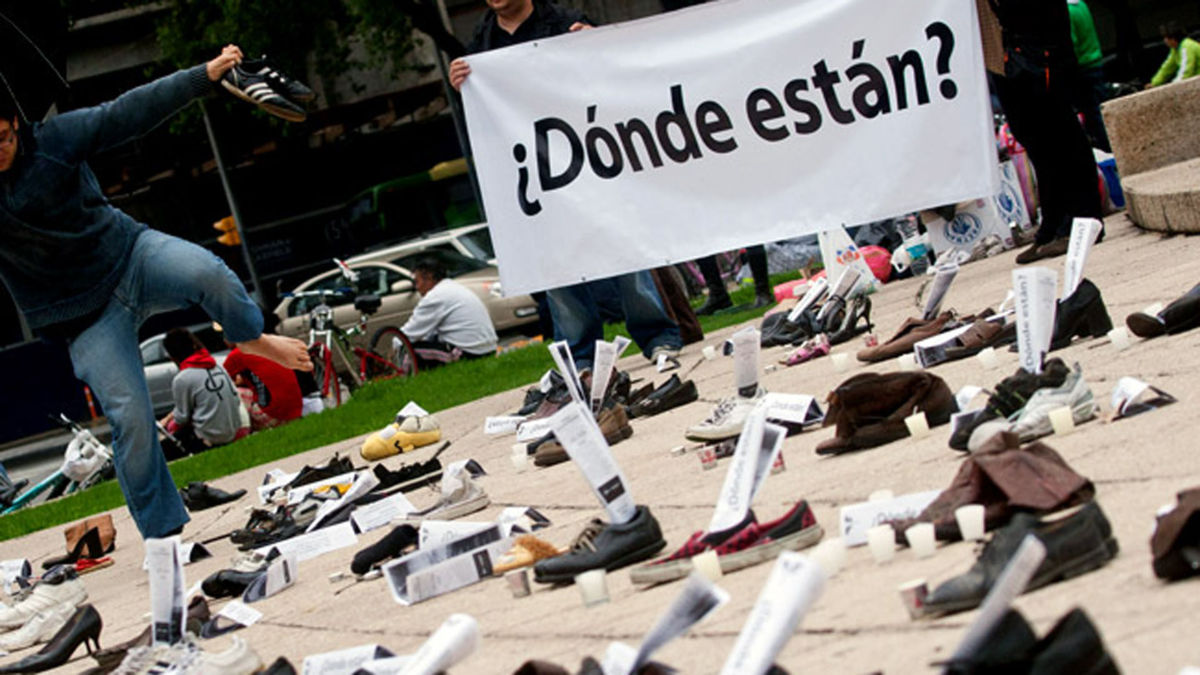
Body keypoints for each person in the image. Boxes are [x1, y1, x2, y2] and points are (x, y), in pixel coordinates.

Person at [0, 45, 312, 539]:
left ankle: (250, 337)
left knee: (207, 272)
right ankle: (164, 537)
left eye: (0, 139)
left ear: (16, 124)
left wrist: (203, 76)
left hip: (132, 257)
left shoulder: (56, 140)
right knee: (131, 419)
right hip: (86, 318)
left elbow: (127, 112)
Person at [449, 0, 684, 370]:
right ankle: (580, 353)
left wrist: (595, 45)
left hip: (589, 157)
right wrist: (463, 88)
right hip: (535, 171)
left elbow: (608, 77)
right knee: (556, 264)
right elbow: (484, 118)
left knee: (624, 250)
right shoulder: (480, 47)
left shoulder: (566, 24)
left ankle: (657, 336)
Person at [976, 0, 1103, 265]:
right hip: (1004, 58)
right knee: (1036, 143)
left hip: (1036, 53)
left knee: (1060, 136)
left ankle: (1082, 221)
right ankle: (1053, 225)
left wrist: (1046, 53)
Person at [160, 328, 247, 455]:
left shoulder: (182, 378)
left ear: (173, 356)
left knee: (162, 449)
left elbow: (182, 417)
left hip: (208, 437)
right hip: (233, 431)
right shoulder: (218, 366)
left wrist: (169, 426)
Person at [402, 258, 499, 368]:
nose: (417, 287)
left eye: (417, 282)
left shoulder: (434, 297)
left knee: (408, 350)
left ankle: (405, 376)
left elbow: (409, 334)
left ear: (428, 277)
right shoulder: (453, 287)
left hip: (469, 353)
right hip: (488, 349)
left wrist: (395, 345)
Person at [221, 332, 304, 430]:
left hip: (274, 414)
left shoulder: (236, 355)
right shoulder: (267, 345)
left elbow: (223, 383)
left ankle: (241, 431)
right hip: (296, 411)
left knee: (235, 393)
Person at [1066, 0, 1111, 152]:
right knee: (1102, 110)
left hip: (1082, 67)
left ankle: (1107, 148)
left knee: (1094, 115)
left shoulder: (1068, 11)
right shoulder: (1081, 5)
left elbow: (1071, 42)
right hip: (1094, 62)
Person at [1147, 22, 1200, 89]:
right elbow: (1167, 67)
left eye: (1166, 38)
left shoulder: (1187, 46)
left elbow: (1186, 71)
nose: (1165, 41)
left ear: (1173, 38)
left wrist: (1174, 86)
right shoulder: (1175, 49)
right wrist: (1154, 83)